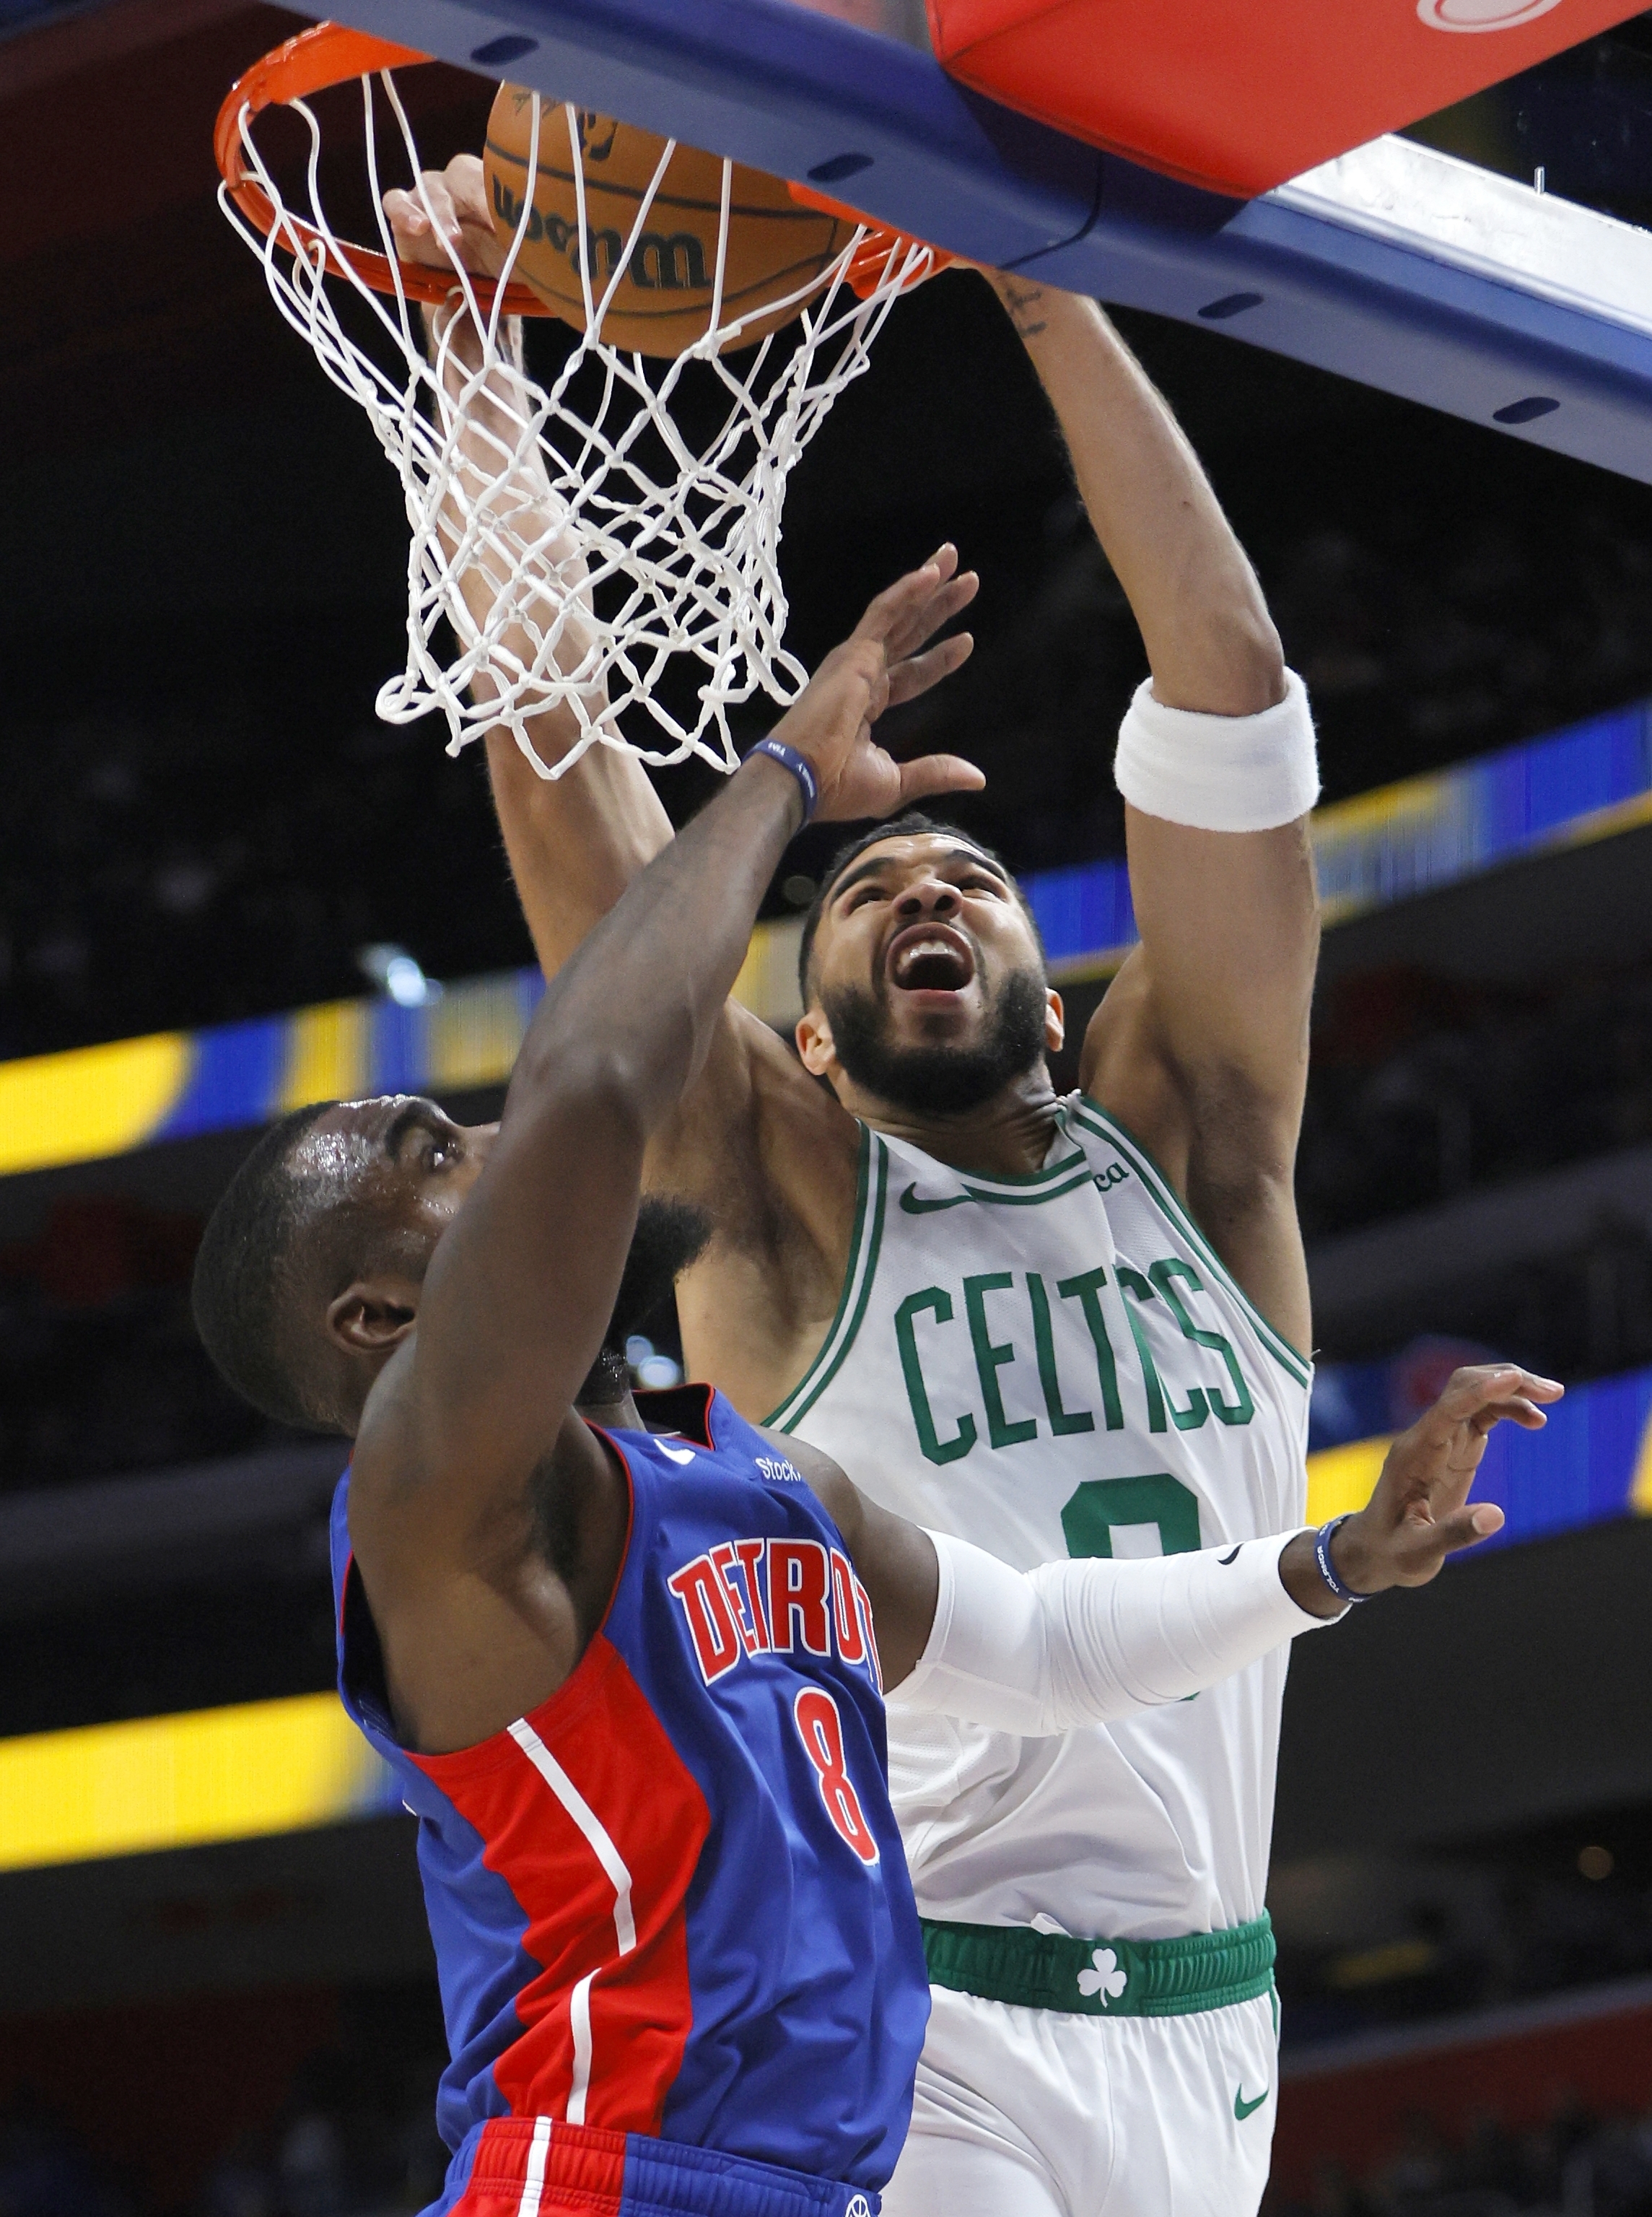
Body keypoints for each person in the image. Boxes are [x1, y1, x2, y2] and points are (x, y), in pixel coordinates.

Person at [192, 557, 1548, 2217]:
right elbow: (600, 1080)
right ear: (373, 1317)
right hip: (615, 2182)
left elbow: (1043, 1642)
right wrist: (774, 784)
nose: (489, 1138)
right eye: (432, 1150)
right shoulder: (429, 1506)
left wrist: (1332, 1561)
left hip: (812, 2177)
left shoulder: (758, 1483)